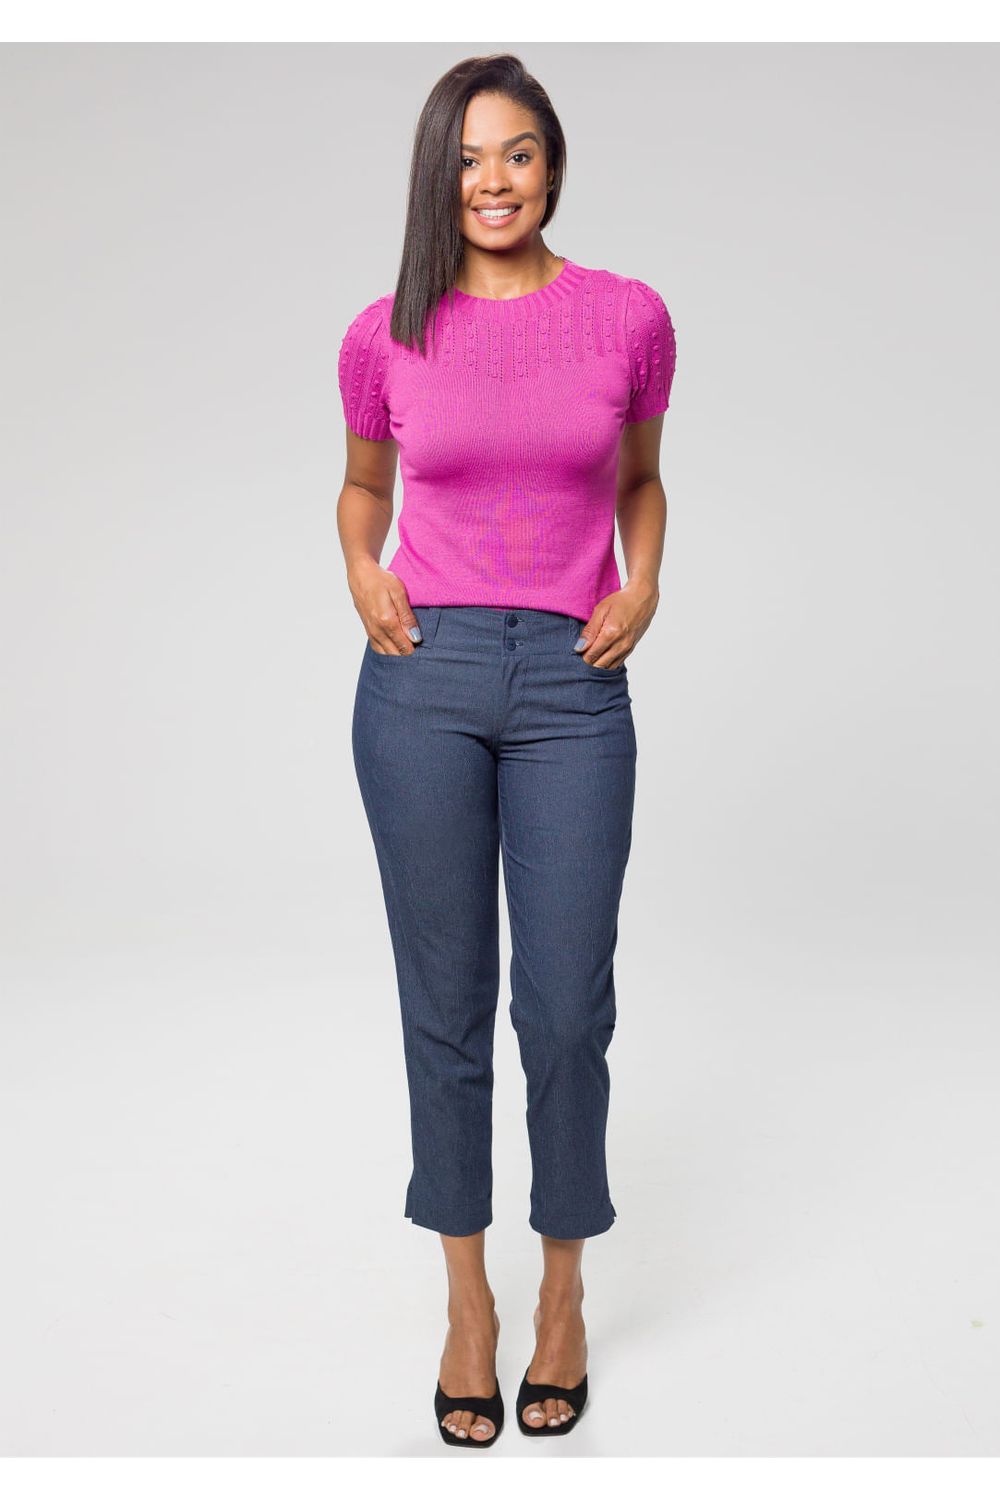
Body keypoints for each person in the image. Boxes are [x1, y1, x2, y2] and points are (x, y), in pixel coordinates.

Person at [337, 53, 677, 1449]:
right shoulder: (385, 333)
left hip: (572, 685)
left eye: (519, 152)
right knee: (446, 1005)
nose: (494, 180)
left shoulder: (627, 317)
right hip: (422, 679)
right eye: (470, 157)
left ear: (553, 166)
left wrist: (643, 585)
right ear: (440, 175)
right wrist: (360, 568)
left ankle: (565, 1291)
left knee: (568, 1007)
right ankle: (469, 1305)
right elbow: (363, 487)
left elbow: (641, 478)